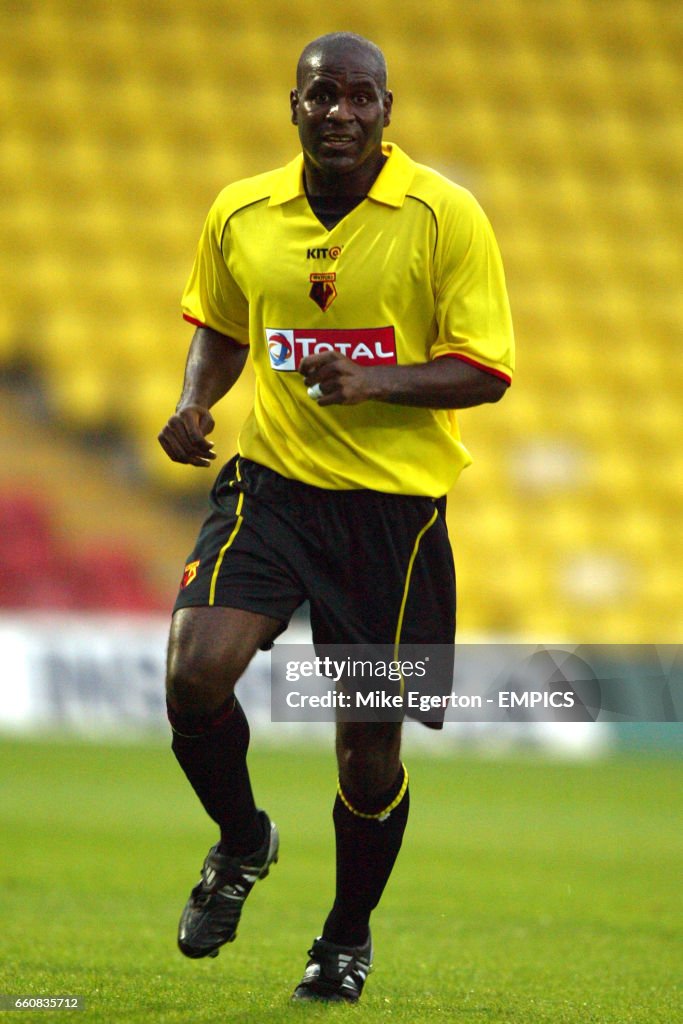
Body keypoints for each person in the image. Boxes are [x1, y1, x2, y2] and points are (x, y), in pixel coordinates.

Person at [158, 30, 514, 1004]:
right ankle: (240, 843)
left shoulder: (444, 213)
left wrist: (373, 380)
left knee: (366, 752)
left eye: (360, 99)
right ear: (293, 106)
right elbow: (220, 324)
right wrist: (198, 402)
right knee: (193, 674)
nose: (340, 114)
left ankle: (344, 935)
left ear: (387, 111)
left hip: (390, 523)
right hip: (269, 489)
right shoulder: (240, 209)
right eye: (322, 97)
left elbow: (483, 368)